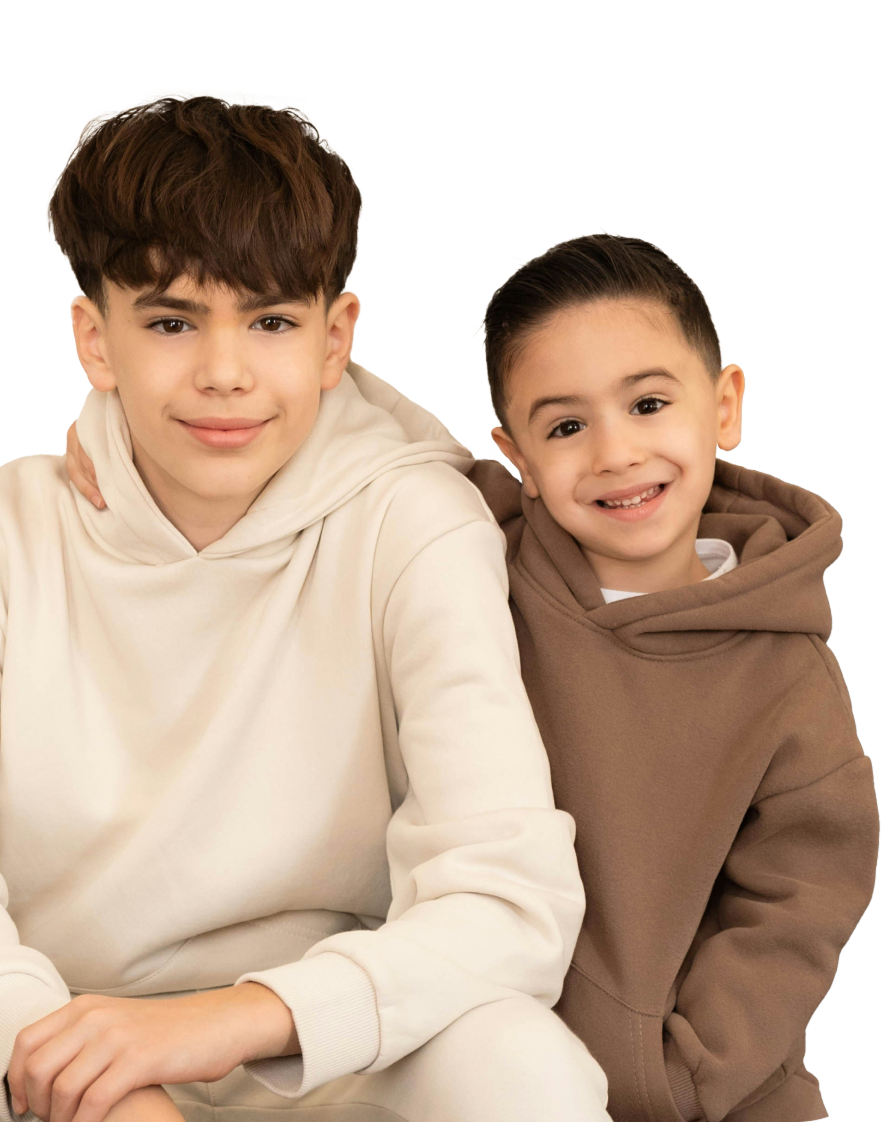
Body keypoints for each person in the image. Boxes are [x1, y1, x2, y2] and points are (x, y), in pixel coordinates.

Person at [0, 89, 614, 1122]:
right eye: (171, 322)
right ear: (94, 339)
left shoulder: (414, 524)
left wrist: (232, 1017)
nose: (223, 373)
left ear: (334, 335)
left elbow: (507, 898)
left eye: (269, 321)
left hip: (328, 1051)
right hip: (53, 1047)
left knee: (515, 1061)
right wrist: (87, 1073)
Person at [65, 228, 879, 1121]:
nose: (615, 452)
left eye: (649, 405)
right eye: (565, 425)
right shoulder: (472, 540)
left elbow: (795, 908)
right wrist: (115, 428)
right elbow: (317, 401)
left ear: (725, 404)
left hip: (708, 1095)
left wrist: (680, 1075)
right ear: (515, 457)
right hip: (460, 1048)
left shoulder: (789, 672)